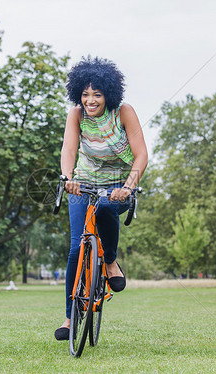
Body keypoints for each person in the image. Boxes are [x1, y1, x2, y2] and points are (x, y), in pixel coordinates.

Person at [54, 57, 148, 341]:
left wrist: (129, 188)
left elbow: (141, 154)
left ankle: (109, 261)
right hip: (84, 182)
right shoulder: (77, 115)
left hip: (119, 183)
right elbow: (69, 149)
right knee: (75, 249)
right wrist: (68, 178)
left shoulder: (123, 113)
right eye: (85, 94)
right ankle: (70, 319)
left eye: (96, 94)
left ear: (109, 93)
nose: (90, 100)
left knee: (107, 206)